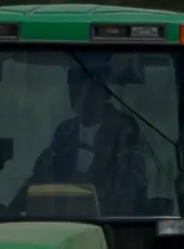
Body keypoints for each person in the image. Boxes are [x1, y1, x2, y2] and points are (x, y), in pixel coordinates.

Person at [32, 67, 145, 212]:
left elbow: (127, 189)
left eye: (89, 91)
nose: (82, 98)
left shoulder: (124, 131)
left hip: (113, 224)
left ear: (104, 93)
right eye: (75, 92)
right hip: (65, 219)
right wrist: (14, 208)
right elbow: (42, 176)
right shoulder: (65, 131)